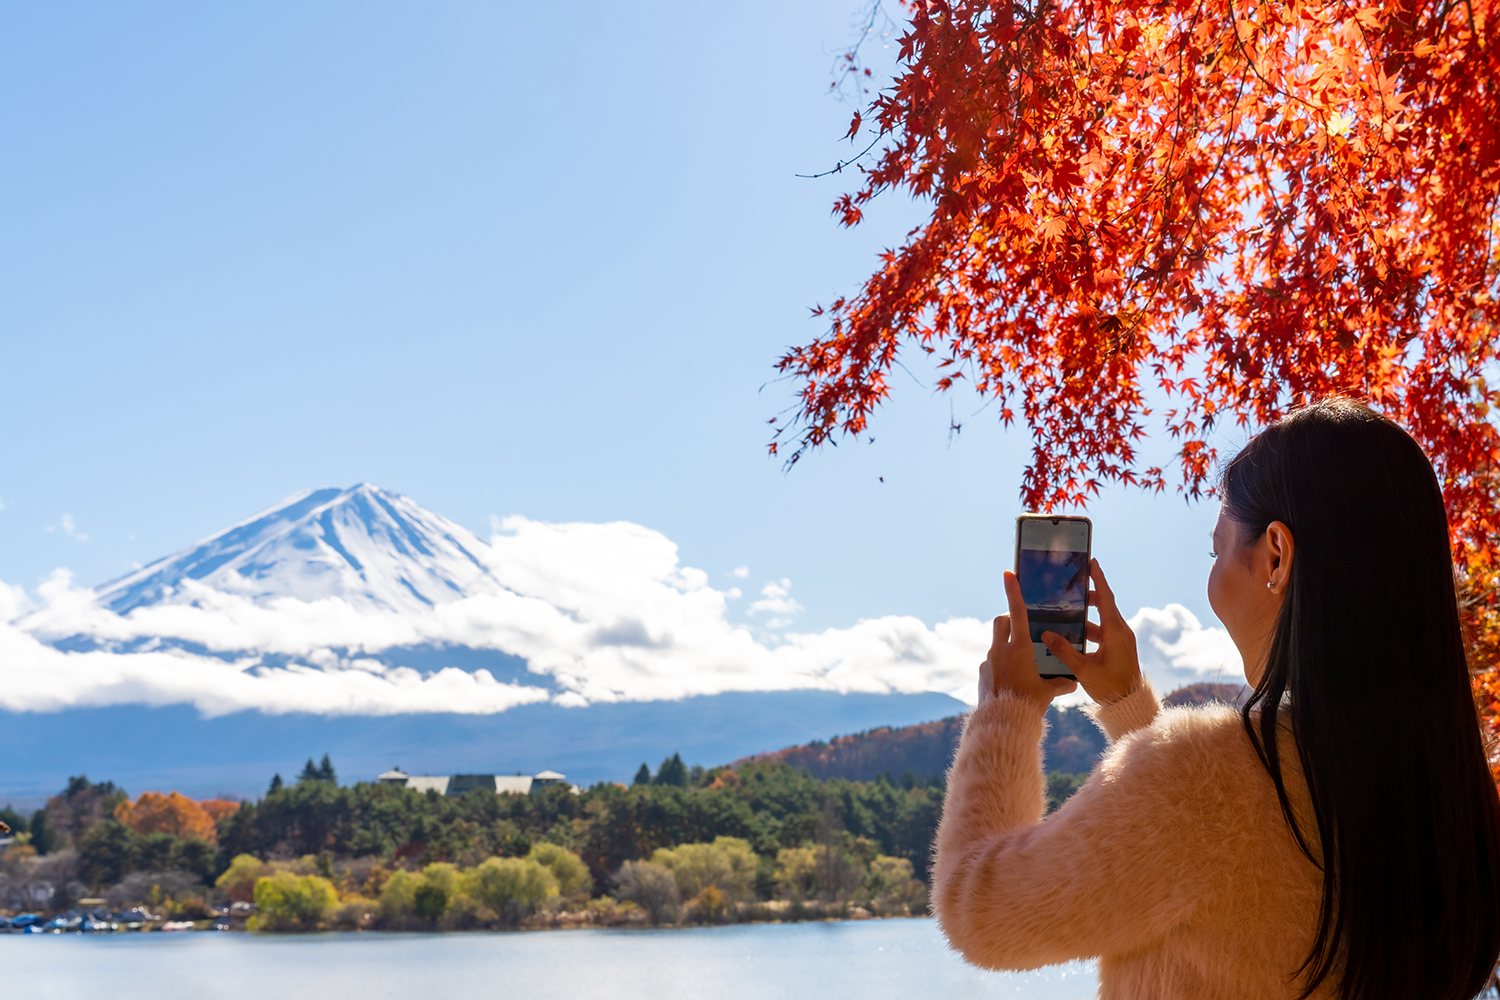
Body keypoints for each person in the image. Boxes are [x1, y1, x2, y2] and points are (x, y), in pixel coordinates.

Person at [932, 398, 1500, 999]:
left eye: (1217, 548)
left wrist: (1005, 710)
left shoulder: (1198, 779)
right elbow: (1226, 858)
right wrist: (1129, 710)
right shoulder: (1455, 807)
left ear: (1275, 557)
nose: (1211, 573)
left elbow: (979, 911)